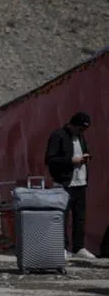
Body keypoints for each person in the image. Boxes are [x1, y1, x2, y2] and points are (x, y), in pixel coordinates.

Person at [46, 111, 94, 259]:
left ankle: (79, 247)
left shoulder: (80, 137)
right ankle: (62, 248)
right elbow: (50, 159)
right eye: (80, 129)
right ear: (73, 125)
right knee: (62, 217)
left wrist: (84, 159)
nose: (82, 132)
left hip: (80, 182)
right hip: (64, 183)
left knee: (80, 217)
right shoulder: (58, 136)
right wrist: (71, 161)